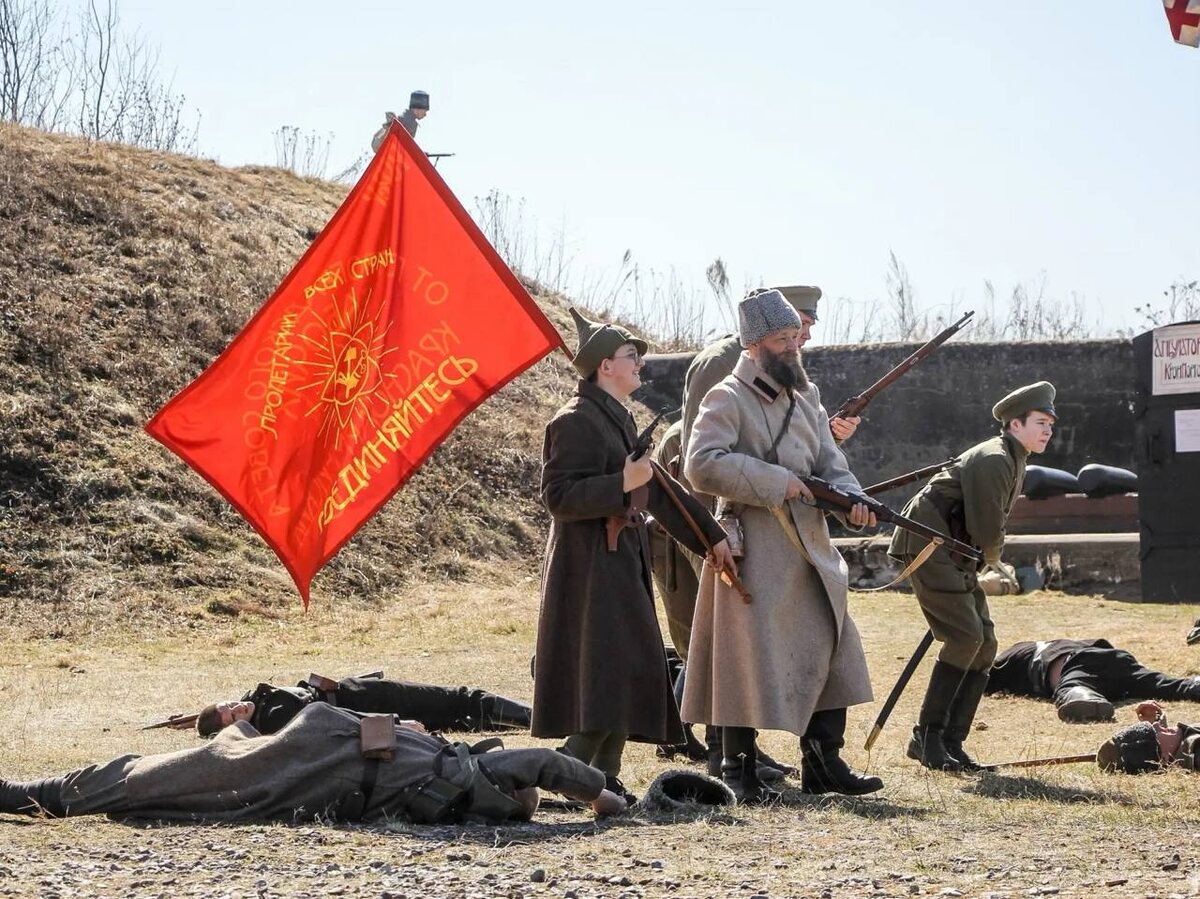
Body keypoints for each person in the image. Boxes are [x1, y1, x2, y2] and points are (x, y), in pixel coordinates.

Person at [681, 288, 882, 803]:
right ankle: (737, 769)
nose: (794, 346)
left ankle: (824, 763)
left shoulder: (806, 397)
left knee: (832, 643)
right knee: (744, 657)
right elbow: (700, 464)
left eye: (796, 336)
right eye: (781, 339)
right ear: (753, 345)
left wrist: (853, 501)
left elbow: (830, 463)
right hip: (756, 547)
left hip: (810, 547)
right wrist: (777, 481)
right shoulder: (726, 397)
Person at [533, 308, 733, 807]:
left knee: (629, 666)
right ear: (605, 366)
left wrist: (712, 539)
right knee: (609, 669)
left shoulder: (618, 419)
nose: (640, 363)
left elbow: (660, 491)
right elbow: (559, 497)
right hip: (588, 568)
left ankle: (603, 775)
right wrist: (621, 483)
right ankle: (571, 770)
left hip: (622, 562)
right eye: (631, 356)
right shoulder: (574, 421)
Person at [0, 703, 626, 822]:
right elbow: (544, 769)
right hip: (320, 759)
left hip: (319, 756)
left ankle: (27, 793)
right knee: (175, 780)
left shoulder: (477, 778)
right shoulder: (462, 783)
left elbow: (545, 763)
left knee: (153, 781)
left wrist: (603, 798)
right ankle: (33, 792)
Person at [890, 382, 1058, 772]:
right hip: (930, 545)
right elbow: (987, 527)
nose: (1048, 430)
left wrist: (985, 558)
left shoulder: (1015, 456)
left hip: (955, 549)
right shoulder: (995, 458)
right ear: (1015, 424)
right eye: (1040, 422)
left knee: (985, 643)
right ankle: (927, 737)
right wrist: (997, 563)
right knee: (966, 637)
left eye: (1050, 424)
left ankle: (951, 740)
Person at [192, 674, 533, 738]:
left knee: (459, 709)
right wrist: (393, 723)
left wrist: (198, 719)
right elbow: (334, 719)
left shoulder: (256, 700)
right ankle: (539, 718)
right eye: (233, 715)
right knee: (460, 703)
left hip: (359, 692)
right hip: (368, 703)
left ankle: (533, 720)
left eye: (230, 704)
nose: (238, 706)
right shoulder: (274, 720)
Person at [987, 638, 1200, 722]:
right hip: (1116, 659)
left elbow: (980, 677)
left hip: (1078, 663)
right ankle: (1192, 685)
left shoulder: (1010, 657)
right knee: (1162, 684)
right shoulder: (1058, 642)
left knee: (1072, 687)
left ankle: (1085, 698)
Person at [1096, 701, 1200, 773]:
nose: (1157, 724)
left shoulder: (1179, 745)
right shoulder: (1195, 750)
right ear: (1164, 758)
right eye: (1155, 732)